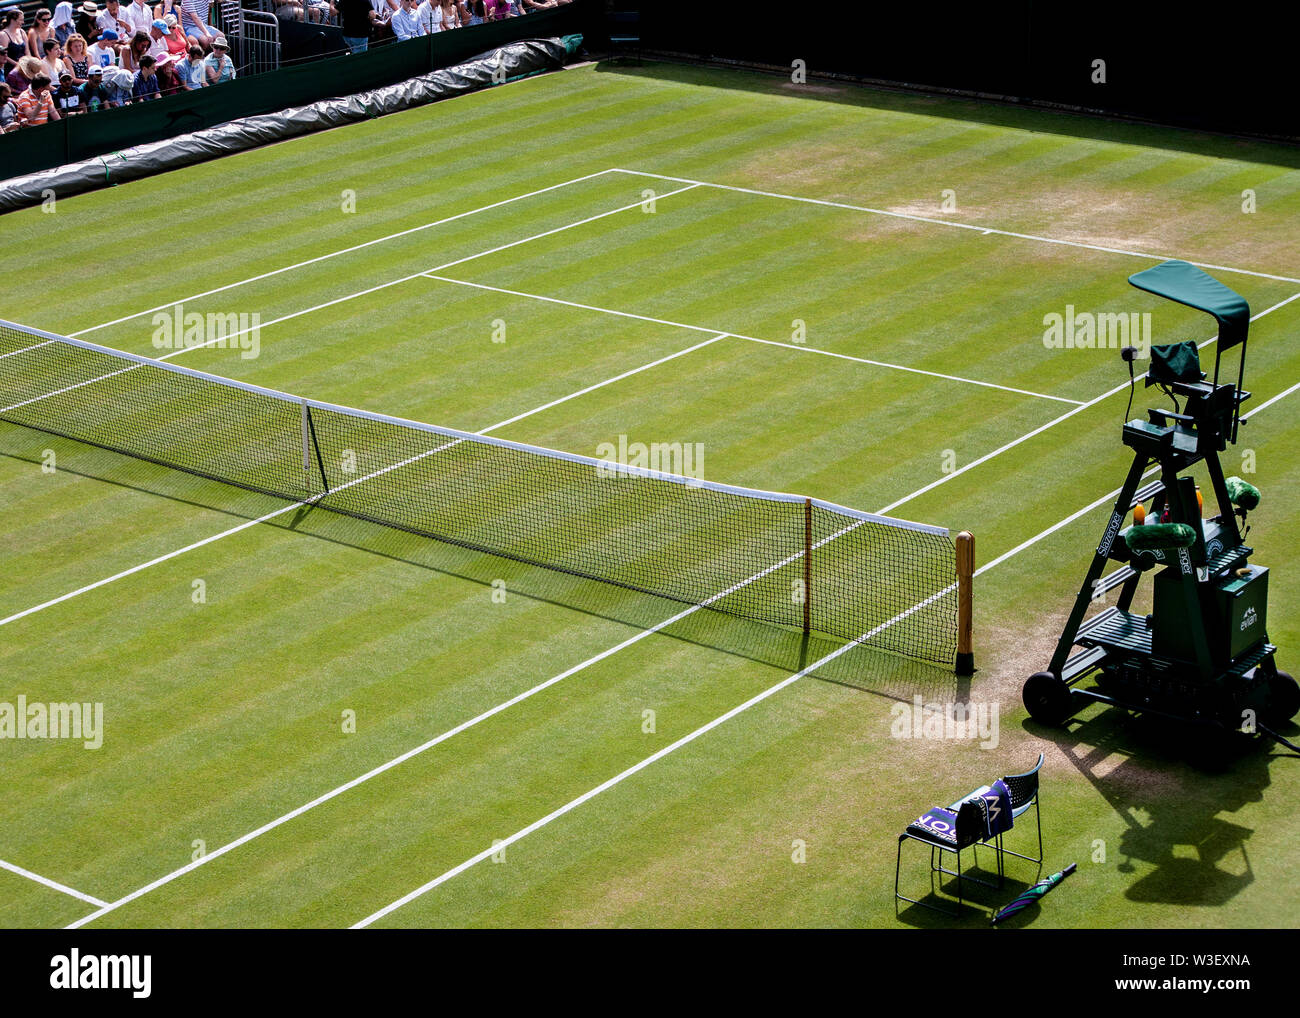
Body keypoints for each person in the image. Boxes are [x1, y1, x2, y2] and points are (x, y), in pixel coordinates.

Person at [0, 8, 26, 82]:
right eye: (21, 20)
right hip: (11, 69)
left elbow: (27, 51)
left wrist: (28, 64)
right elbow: (4, 56)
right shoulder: (3, 35)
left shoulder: (22, 32)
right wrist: (18, 65)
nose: (23, 22)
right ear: (12, 20)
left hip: (24, 66)